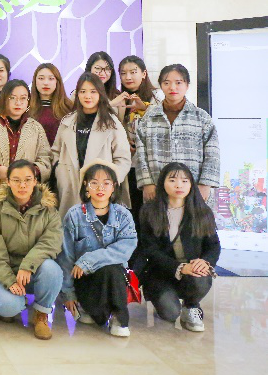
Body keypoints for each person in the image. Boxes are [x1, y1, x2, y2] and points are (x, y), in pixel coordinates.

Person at [0, 160, 62, 340]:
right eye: (16, 180)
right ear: (8, 182)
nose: (22, 185)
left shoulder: (49, 210)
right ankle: (15, 303)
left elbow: (51, 242)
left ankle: (41, 314)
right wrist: (9, 280)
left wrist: (28, 265)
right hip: (3, 270)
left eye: (27, 180)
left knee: (52, 269)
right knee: (9, 307)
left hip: (32, 270)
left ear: (35, 181)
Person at [57, 162, 137, 337]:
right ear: (86, 186)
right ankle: (91, 309)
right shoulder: (74, 215)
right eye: (94, 182)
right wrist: (68, 294)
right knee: (97, 317)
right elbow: (66, 257)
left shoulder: (123, 215)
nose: (100, 188)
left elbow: (125, 248)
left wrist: (89, 261)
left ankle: (119, 318)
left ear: (114, 186)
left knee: (112, 269)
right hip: (86, 281)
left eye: (106, 183)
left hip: (114, 280)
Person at [140, 163, 220, 333]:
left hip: (192, 271)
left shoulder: (202, 211)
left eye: (184, 181)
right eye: (172, 180)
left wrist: (204, 262)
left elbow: (213, 245)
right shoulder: (150, 211)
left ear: (191, 184)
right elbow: (149, 249)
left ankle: (191, 306)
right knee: (170, 313)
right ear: (162, 183)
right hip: (161, 273)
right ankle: (165, 301)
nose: (179, 185)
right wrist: (180, 267)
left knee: (201, 275)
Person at [135, 64, 220, 204]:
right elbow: (140, 153)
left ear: (187, 85)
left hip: (194, 189)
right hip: (156, 189)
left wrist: (206, 184)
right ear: (161, 86)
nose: (172, 87)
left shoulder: (201, 117)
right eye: (166, 83)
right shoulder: (149, 118)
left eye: (178, 83)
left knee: (194, 218)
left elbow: (213, 153)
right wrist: (146, 182)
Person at [52, 72, 131, 215]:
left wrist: (109, 182)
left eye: (93, 91)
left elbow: (123, 159)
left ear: (101, 93)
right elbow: (55, 151)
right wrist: (59, 171)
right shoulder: (67, 121)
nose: (87, 96)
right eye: (83, 91)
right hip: (70, 186)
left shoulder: (112, 123)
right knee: (71, 224)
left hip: (101, 191)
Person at [0, 79, 52, 210]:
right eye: (12, 98)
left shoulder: (36, 128)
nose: (18, 103)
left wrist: (26, 173)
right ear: (4, 99)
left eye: (23, 98)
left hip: (26, 196)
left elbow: (46, 162)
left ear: (28, 101)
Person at [116, 55, 161, 242]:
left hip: (152, 168)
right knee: (133, 216)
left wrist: (145, 108)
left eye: (133, 72)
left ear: (143, 74)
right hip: (129, 168)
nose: (128, 77)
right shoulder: (120, 100)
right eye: (123, 73)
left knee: (153, 218)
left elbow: (164, 122)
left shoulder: (157, 97)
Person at [28, 63, 73, 147]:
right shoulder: (26, 107)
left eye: (51, 78)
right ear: (35, 81)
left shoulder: (69, 107)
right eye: (41, 78)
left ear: (57, 81)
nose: (46, 83)